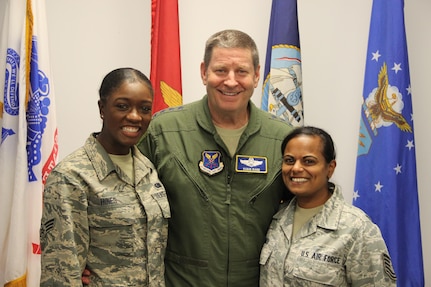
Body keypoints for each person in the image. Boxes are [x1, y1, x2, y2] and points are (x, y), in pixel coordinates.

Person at [137, 29, 293, 287]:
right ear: (203, 72)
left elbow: (306, 209)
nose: (231, 81)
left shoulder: (283, 138)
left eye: (241, 72)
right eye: (221, 70)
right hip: (182, 281)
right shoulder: (163, 130)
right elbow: (123, 196)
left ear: (256, 76)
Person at [40, 68, 170, 286]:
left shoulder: (148, 169)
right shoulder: (71, 176)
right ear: (102, 108)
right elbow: (61, 273)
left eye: (145, 108)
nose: (135, 116)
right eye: (122, 106)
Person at [259, 126, 397, 286]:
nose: (296, 168)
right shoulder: (276, 218)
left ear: (330, 168)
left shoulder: (357, 229)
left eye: (308, 161)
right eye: (289, 160)